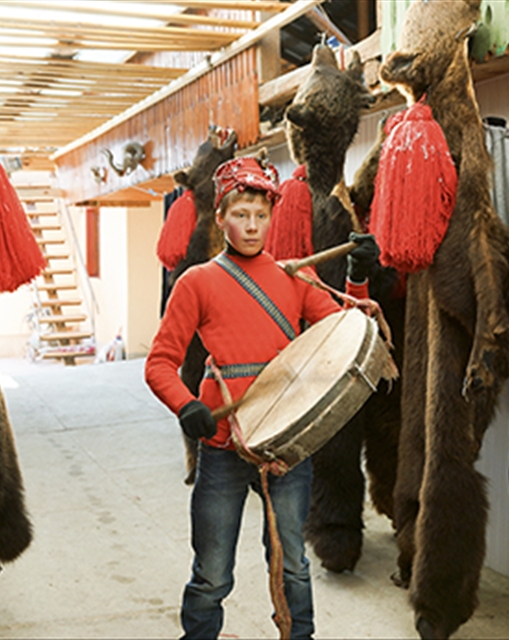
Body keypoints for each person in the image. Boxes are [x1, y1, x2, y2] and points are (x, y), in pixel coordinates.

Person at [144, 155, 380, 640]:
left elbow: (347, 325)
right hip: (224, 444)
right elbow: (159, 364)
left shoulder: (295, 276)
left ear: (271, 216)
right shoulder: (197, 282)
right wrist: (186, 406)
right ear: (221, 217)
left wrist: (357, 276)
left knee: (293, 563)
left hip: (285, 445)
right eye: (240, 215)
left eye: (260, 215)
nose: (252, 226)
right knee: (212, 572)